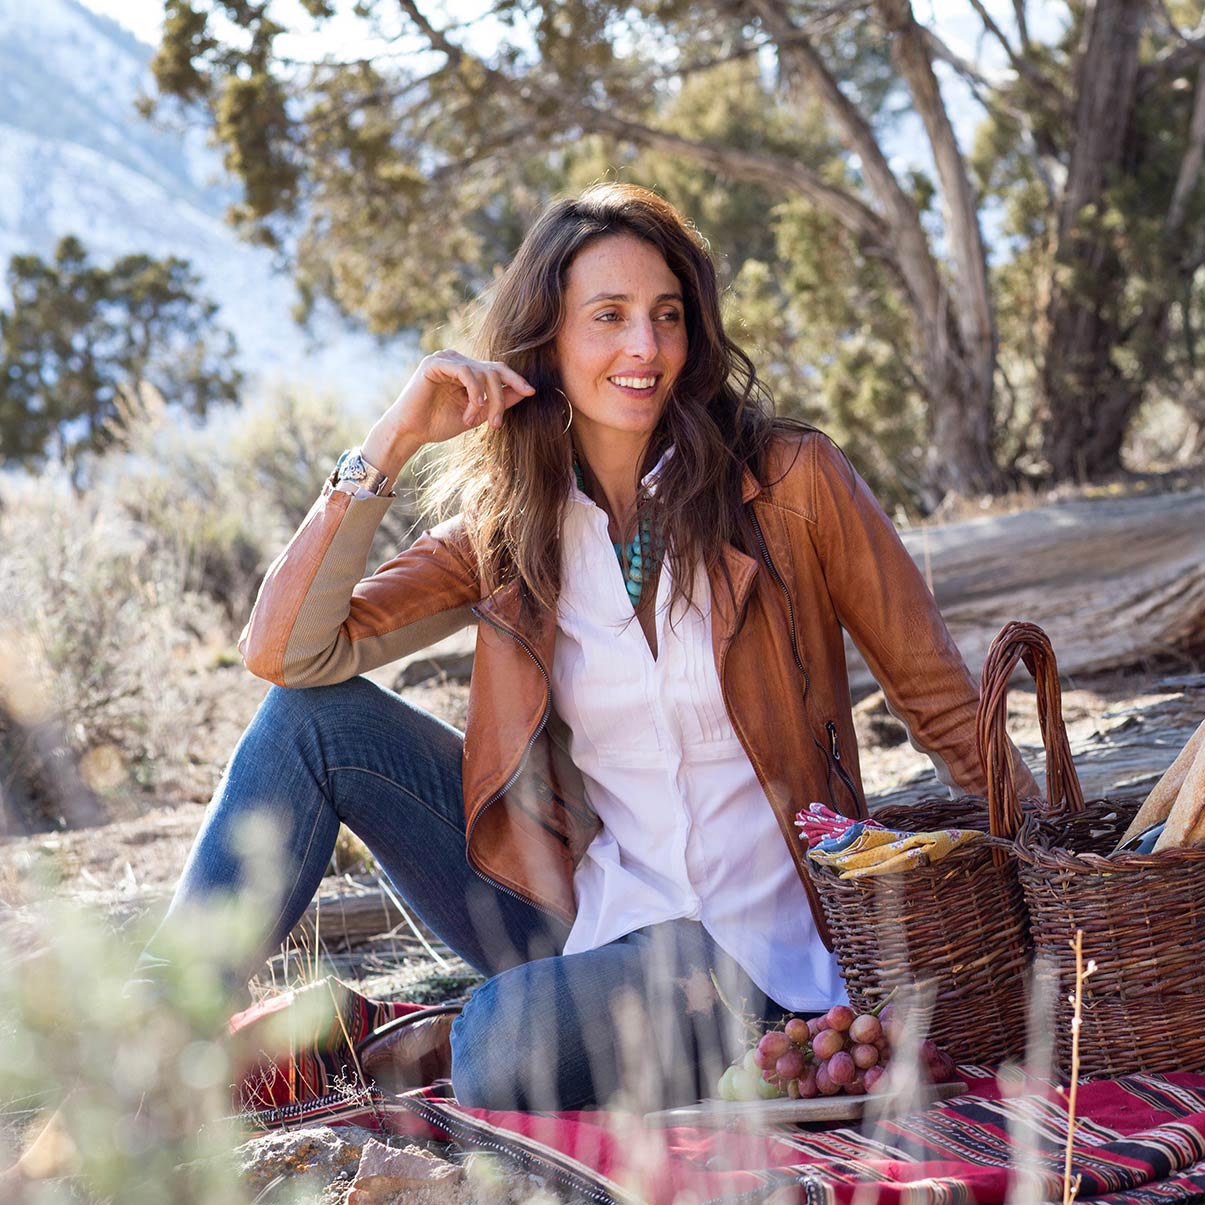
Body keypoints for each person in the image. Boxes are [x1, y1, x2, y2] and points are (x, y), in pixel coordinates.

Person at [138, 181, 1034, 1113]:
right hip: (589, 916)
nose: (645, 348)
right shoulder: (515, 529)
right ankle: (150, 1039)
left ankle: (485, 1031)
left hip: (760, 948)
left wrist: (1059, 862)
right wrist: (392, 440)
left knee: (502, 1039)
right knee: (312, 724)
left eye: (667, 316)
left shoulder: (789, 484)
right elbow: (289, 652)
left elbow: (935, 697)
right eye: (608, 317)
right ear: (549, 342)